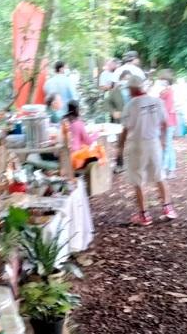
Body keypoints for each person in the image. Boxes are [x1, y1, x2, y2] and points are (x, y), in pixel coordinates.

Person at [120, 76, 177, 225]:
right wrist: (163, 141)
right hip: (154, 143)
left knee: (138, 179)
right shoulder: (157, 101)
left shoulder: (131, 105)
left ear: (132, 89)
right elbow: (165, 123)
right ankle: (168, 208)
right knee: (160, 175)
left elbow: (125, 129)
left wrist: (119, 149)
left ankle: (144, 215)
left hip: (137, 144)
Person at [63, 101, 106, 172]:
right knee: (100, 149)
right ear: (77, 110)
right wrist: (97, 133)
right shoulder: (78, 123)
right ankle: (99, 177)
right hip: (77, 159)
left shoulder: (64, 120)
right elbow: (89, 141)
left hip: (65, 157)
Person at [157, 70, 179, 179]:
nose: (161, 81)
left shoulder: (169, 92)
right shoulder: (165, 92)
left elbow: (168, 108)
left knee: (167, 146)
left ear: (167, 81)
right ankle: (169, 169)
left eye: (162, 79)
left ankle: (167, 169)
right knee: (167, 146)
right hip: (165, 122)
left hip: (168, 122)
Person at [99, 58, 125, 124]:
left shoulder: (119, 72)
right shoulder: (104, 74)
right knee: (110, 114)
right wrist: (111, 87)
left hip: (119, 97)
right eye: (110, 64)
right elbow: (101, 87)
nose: (115, 66)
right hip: (108, 95)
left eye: (115, 64)